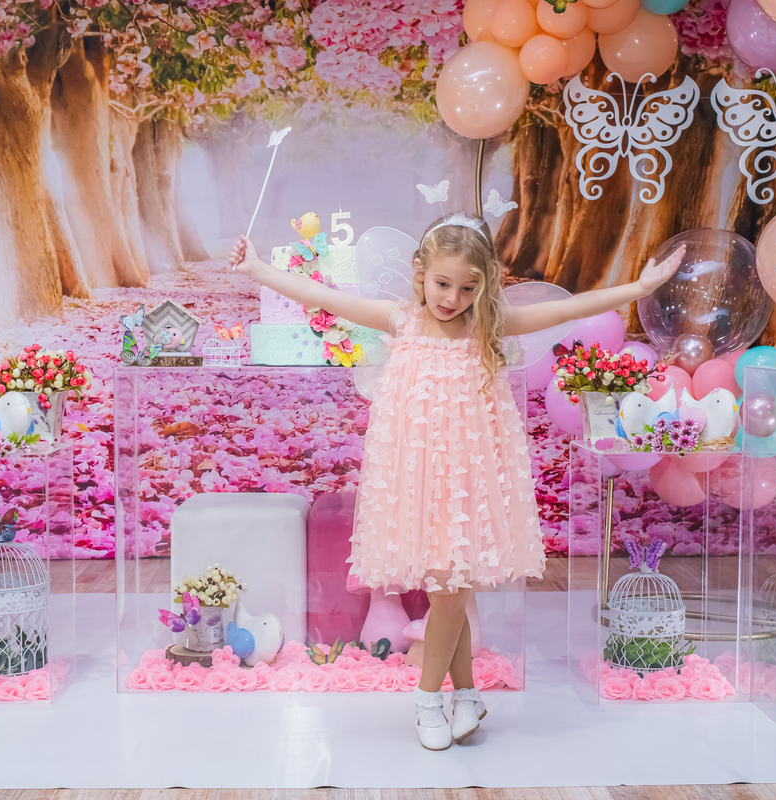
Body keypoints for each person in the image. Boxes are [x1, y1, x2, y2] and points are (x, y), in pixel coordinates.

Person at [228, 212, 684, 750]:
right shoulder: (402, 319)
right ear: (421, 273)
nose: (452, 298)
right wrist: (258, 269)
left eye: (468, 288)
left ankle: (430, 699)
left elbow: (566, 308)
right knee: (448, 591)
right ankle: (463, 695)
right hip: (416, 478)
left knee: (450, 591)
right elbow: (324, 297)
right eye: (443, 284)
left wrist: (639, 288)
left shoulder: (487, 325)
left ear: (483, 285)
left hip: (471, 480)